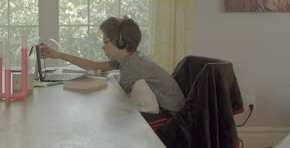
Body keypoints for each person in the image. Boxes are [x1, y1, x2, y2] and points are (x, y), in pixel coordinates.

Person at [40, 16, 185, 116]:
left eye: (105, 42)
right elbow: (93, 65)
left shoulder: (132, 65)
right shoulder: (128, 58)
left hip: (170, 119)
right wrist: (57, 54)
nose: (103, 48)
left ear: (121, 43)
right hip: (167, 112)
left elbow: (118, 101)